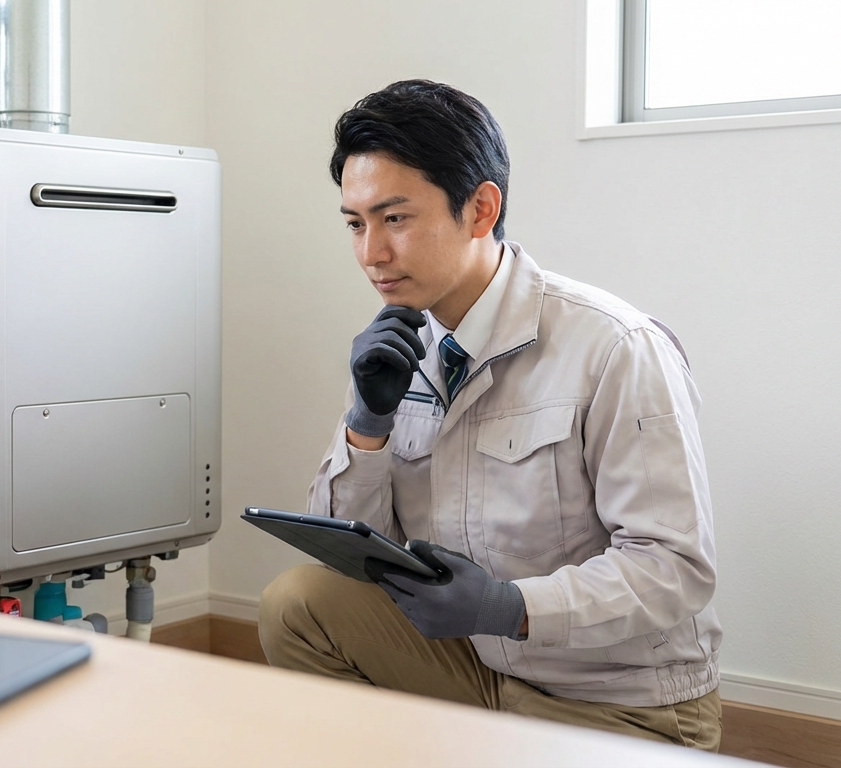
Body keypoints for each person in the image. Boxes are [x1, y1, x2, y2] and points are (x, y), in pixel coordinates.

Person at [257, 80, 723, 751]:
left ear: (480, 208)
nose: (370, 254)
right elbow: (347, 557)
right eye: (356, 224)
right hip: (474, 674)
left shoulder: (616, 348)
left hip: (617, 706)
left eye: (395, 219)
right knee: (298, 603)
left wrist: (512, 607)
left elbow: (675, 567)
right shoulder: (405, 347)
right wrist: (368, 426)